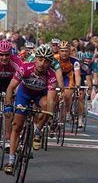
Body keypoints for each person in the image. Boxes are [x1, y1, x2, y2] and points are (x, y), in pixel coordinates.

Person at [4, 45, 57, 174]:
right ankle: (11, 160)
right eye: (40, 59)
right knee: (17, 126)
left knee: (46, 106)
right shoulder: (25, 68)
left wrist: (49, 114)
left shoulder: (51, 75)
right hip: (24, 94)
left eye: (46, 61)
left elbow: (50, 100)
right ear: (35, 59)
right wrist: (9, 105)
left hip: (40, 95)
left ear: (50, 63)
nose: (42, 64)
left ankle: (37, 130)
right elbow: (10, 88)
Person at [0, 40, 23, 151]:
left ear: (11, 54)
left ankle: (9, 140)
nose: (4, 57)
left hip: (11, 84)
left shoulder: (16, 61)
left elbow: (21, 80)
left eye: (6, 55)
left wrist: (16, 95)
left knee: (8, 112)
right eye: (1, 55)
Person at [55, 40, 81, 122]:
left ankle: (67, 112)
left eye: (66, 51)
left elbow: (77, 75)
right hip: (56, 76)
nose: (64, 53)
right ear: (58, 51)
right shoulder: (54, 59)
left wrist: (77, 85)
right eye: (62, 51)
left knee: (67, 94)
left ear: (69, 51)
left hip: (67, 77)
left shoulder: (75, 61)